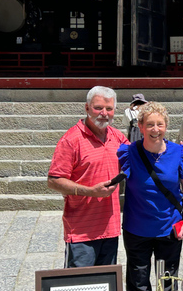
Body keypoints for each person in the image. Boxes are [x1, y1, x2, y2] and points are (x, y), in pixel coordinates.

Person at [47, 86, 129, 268]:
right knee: (80, 284)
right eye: (98, 108)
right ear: (86, 108)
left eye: (109, 109)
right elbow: (53, 180)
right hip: (81, 231)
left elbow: (138, 156)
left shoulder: (117, 137)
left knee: (106, 282)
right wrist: (90, 191)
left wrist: (176, 150)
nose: (104, 113)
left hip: (110, 228)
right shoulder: (71, 140)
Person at [118, 102, 183, 291]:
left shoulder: (178, 152)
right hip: (137, 229)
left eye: (160, 124)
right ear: (141, 127)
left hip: (169, 228)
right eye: (150, 124)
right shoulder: (129, 152)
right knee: (138, 283)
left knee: (168, 282)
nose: (155, 129)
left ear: (166, 126)